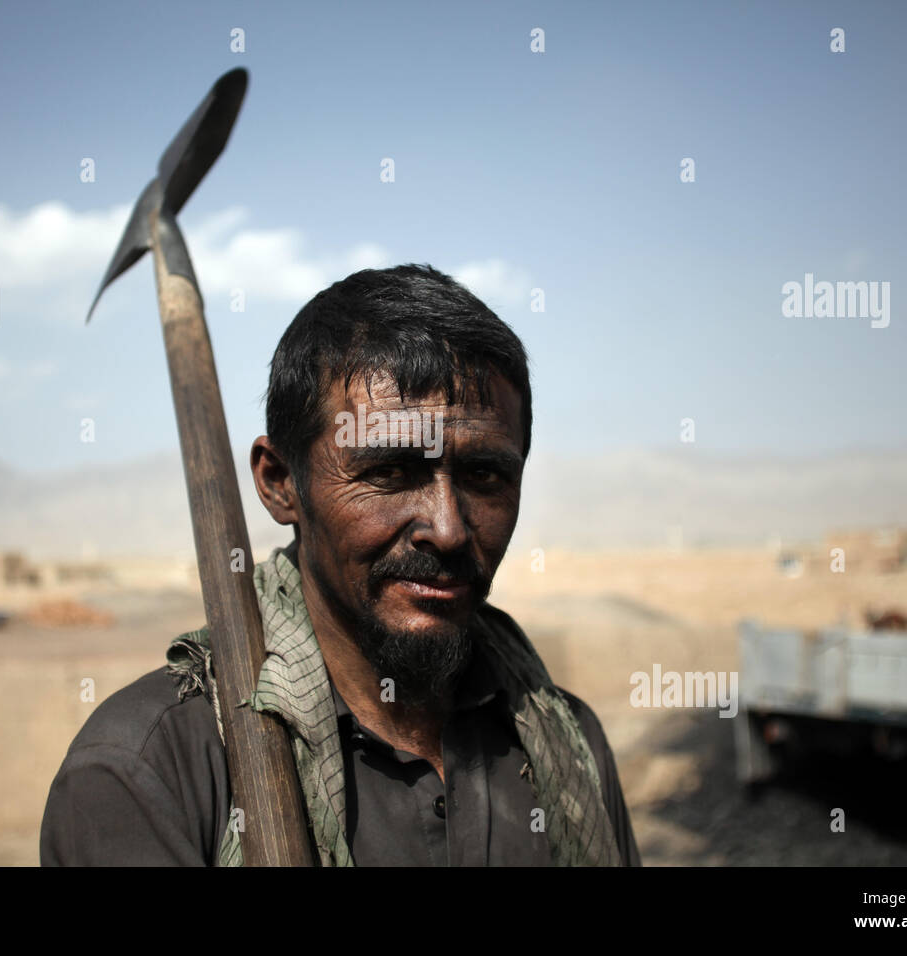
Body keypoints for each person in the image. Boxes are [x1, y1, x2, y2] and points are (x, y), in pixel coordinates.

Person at [40, 263, 641, 866]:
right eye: (389, 472)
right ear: (281, 484)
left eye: (484, 475)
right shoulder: (147, 772)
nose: (449, 529)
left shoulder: (566, 742)